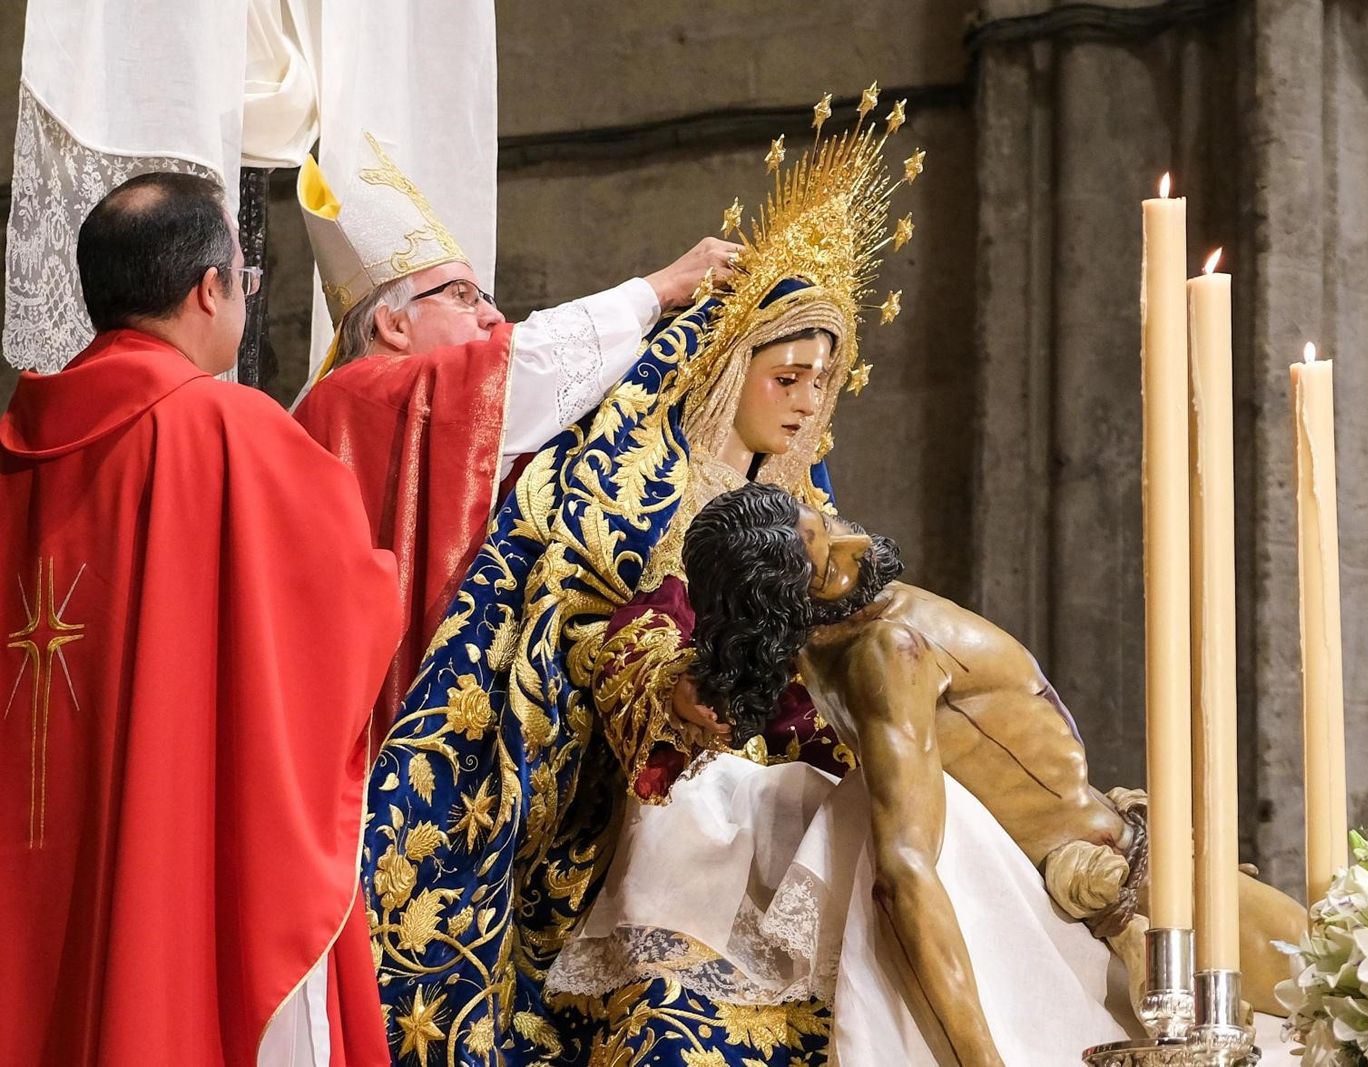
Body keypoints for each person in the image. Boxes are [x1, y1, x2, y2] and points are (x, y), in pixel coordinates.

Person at [361, 92, 914, 1063]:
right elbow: (586, 637)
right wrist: (685, 694)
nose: (804, 403)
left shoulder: (817, 519)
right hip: (665, 814)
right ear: (729, 365)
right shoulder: (633, 487)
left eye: (823, 382)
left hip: (800, 809)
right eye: (785, 374)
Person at [548, 482, 1309, 1065]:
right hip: (1117, 884)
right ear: (790, 600)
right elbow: (905, 871)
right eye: (825, 560)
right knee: (1352, 996)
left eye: (828, 522)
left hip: (1121, 863)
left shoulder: (829, 642)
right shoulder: (887, 654)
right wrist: (982, 1058)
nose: (851, 542)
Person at [0, 172, 403, 1065]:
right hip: (168, 872)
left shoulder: (15, 454)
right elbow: (353, 605)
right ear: (209, 289)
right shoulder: (228, 429)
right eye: (245, 283)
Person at [291, 132, 740, 743]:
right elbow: (527, 362)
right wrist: (659, 289)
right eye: (462, 296)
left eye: (488, 299)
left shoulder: (419, 399)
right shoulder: (358, 394)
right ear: (393, 324)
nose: (492, 318)